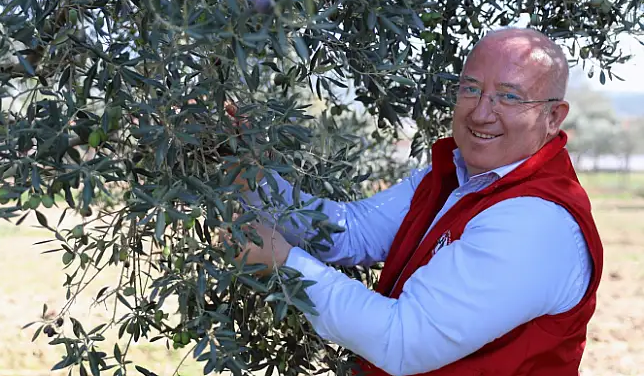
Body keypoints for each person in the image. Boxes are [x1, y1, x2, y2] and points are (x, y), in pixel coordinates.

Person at [227, 27, 604, 376]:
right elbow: (351, 232)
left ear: (553, 116)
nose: (481, 112)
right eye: (470, 89)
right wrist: (250, 174)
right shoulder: (453, 177)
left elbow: (402, 340)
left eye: (509, 97)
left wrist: (287, 263)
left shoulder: (535, 222)